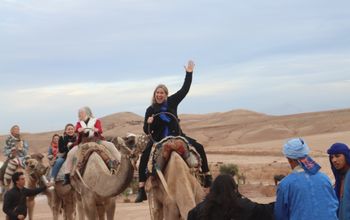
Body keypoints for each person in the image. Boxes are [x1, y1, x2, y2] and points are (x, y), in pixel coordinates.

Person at [135, 60, 212, 203]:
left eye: (162, 93)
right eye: (157, 93)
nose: (159, 95)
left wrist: (189, 74)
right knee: (145, 156)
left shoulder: (172, 102)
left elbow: (184, 90)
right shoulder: (150, 110)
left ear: (166, 94)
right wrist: (148, 122)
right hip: (157, 140)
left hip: (176, 136)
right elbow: (146, 131)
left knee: (199, 147)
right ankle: (141, 189)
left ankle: (207, 177)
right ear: (154, 94)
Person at [274, 138, 338, 220]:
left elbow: (280, 215)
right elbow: (333, 205)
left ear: (289, 159)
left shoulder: (285, 184)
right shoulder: (324, 178)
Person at [63, 106, 121, 185]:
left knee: (110, 145)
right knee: (70, 154)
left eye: (81, 113)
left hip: (96, 140)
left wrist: (95, 129)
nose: (79, 115)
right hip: (83, 142)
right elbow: (77, 130)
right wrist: (80, 130)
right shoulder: (79, 123)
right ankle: (67, 176)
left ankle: (120, 164)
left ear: (86, 113)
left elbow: (100, 130)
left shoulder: (96, 121)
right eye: (79, 113)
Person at [187, 174, 274, 220]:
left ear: (213, 189)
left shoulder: (197, 211)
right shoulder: (243, 206)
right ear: (234, 188)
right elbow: (266, 211)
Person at [327, 142, 350, 219]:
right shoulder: (340, 179)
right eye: (332, 157)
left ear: (346, 156)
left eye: (337, 156)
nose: (334, 160)